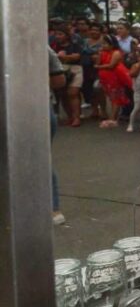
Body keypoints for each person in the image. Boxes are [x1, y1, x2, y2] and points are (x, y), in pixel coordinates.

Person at [95, 34, 132, 128]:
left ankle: (113, 118)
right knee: (111, 97)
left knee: (116, 98)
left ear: (112, 44)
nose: (103, 46)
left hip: (114, 78)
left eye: (105, 44)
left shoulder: (116, 52)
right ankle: (110, 116)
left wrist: (99, 67)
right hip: (105, 79)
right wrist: (99, 55)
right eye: (102, 44)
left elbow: (111, 65)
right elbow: (97, 63)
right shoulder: (102, 52)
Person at [47, 46, 67, 225]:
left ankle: (53, 208)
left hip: (33, 107)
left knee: (41, 159)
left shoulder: (41, 48)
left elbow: (59, 80)